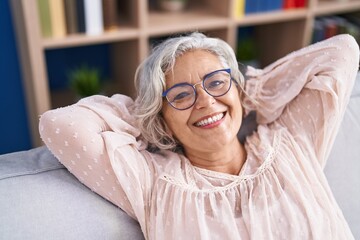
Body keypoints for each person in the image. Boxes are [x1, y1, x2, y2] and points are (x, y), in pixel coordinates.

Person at [39, 32, 359, 239]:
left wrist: (252, 93)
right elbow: (57, 124)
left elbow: (342, 51)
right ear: (163, 122)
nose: (205, 101)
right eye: (180, 95)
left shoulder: (291, 139)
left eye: (217, 83)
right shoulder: (153, 183)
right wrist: (147, 113)